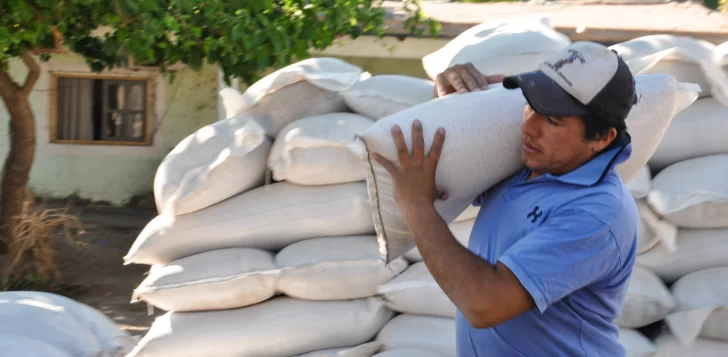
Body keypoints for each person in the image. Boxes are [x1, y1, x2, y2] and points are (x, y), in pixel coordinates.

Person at [372, 41, 640, 356]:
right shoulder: (528, 165)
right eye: (530, 107)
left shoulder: (597, 213)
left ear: (602, 138)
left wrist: (417, 208)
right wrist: (449, 98)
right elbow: (460, 157)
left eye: (553, 121)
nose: (529, 128)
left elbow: (485, 304)